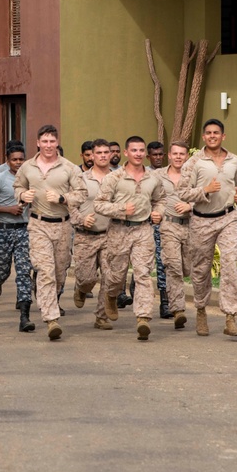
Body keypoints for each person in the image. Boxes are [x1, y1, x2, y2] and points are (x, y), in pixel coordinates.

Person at [13, 124, 87, 341]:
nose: (48, 145)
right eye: (44, 141)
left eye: (52, 141)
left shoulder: (69, 168)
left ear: (57, 143)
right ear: (38, 143)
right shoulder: (27, 167)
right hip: (38, 225)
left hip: (63, 225)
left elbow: (81, 193)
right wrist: (22, 195)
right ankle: (51, 319)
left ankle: (50, 300)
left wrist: (63, 199)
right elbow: (17, 187)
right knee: (45, 270)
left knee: (59, 271)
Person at [176, 119, 237, 338]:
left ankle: (230, 316)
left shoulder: (234, 160)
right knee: (200, 270)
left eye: (216, 132)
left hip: (227, 218)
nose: (212, 136)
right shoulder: (194, 162)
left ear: (223, 136)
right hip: (201, 220)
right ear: (204, 137)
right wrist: (204, 190)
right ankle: (200, 310)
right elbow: (182, 192)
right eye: (208, 133)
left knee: (231, 262)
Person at [94, 136, 165, 341]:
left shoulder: (153, 177)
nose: (138, 154)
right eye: (134, 150)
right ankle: (111, 294)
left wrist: (158, 212)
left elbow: (160, 199)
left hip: (143, 229)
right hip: (119, 230)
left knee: (143, 274)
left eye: (141, 150)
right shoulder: (114, 178)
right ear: (126, 152)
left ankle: (143, 317)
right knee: (117, 275)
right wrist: (121, 209)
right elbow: (99, 204)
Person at [0, 143, 35, 332]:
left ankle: (24, 315)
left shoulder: (30, 180)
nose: (18, 163)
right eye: (14, 160)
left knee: (23, 270)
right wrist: (8, 209)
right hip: (2, 229)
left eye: (21, 159)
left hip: (24, 230)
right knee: (3, 269)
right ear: (7, 160)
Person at [68, 139, 114, 330]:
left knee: (110, 277)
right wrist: (81, 220)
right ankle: (81, 288)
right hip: (85, 235)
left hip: (111, 235)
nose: (103, 155)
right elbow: (71, 206)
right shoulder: (81, 179)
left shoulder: (118, 178)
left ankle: (101, 317)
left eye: (106, 152)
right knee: (88, 278)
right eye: (99, 152)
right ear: (92, 156)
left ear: (110, 155)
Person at [154, 140, 194, 330]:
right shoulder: (157, 175)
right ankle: (178, 310)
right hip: (168, 225)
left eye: (182, 154)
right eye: (175, 154)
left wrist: (190, 206)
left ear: (187, 157)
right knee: (173, 267)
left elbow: (206, 197)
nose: (178, 157)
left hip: (191, 226)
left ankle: (177, 303)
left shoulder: (194, 176)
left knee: (188, 268)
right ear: (169, 156)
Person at [146, 140, 172, 318]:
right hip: (145, 224)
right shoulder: (144, 174)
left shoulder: (169, 174)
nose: (157, 158)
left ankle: (165, 303)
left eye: (160, 154)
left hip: (164, 224)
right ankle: (134, 286)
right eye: (154, 155)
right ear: (148, 156)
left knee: (163, 263)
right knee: (145, 263)